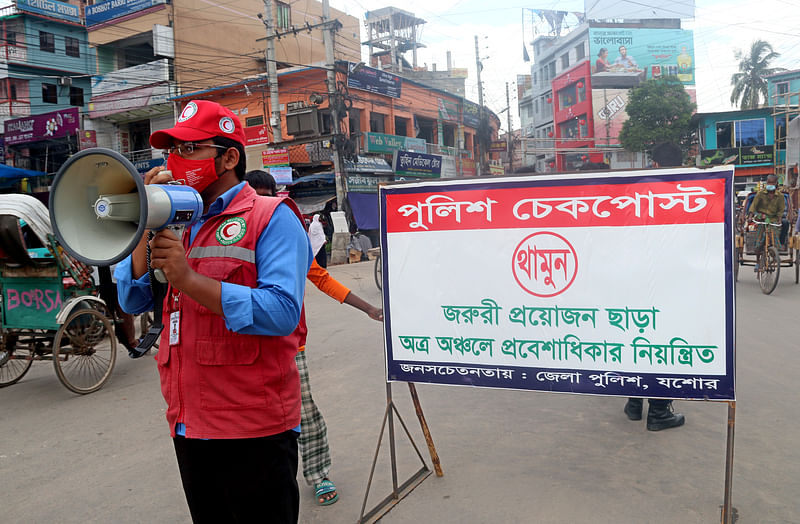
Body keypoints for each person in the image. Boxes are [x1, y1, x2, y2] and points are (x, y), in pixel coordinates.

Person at [115, 100, 312, 524]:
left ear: (229, 157)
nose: (176, 161)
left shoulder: (270, 218)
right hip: (188, 422)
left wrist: (188, 279)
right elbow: (133, 301)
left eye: (191, 150)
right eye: (173, 151)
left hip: (253, 426)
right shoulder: (173, 219)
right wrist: (144, 224)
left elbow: (281, 312)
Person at [245, 170, 383, 506]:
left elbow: (321, 278)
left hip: (289, 344)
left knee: (303, 412)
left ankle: (318, 474)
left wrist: (367, 308)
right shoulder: (231, 235)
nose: (262, 203)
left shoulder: (285, 235)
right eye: (255, 196)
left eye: (268, 195)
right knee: (250, 421)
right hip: (242, 343)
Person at [623, 141, 686, 431]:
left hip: (635, 279)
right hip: (669, 282)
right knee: (665, 344)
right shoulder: (687, 195)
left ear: (656, 164)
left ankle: (635, 403)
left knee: (639, 339)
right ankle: (659, 411)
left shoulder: (636, 192)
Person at [751, 174, 786, 252]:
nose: (770, 184)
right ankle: (758, 258)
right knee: (759, 237)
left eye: (772, 183)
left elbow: (781, 210)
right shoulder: (760, 194)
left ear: (776, 183)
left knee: (775, 233)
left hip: (773, 219)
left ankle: (776, 249)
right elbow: (754, 205)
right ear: (766, 182)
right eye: (769, 182)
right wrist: (751, 216)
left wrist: (779, 220)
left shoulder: (780, 196)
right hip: (761, 218)